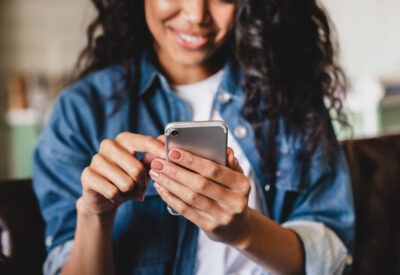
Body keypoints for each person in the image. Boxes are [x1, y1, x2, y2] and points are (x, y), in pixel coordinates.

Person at [32, 0, 355, 274]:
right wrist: (94, 215)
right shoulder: (82, 110)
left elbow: (331, 256)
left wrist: (242, 231)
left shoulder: (290, 95)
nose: (196, 14)